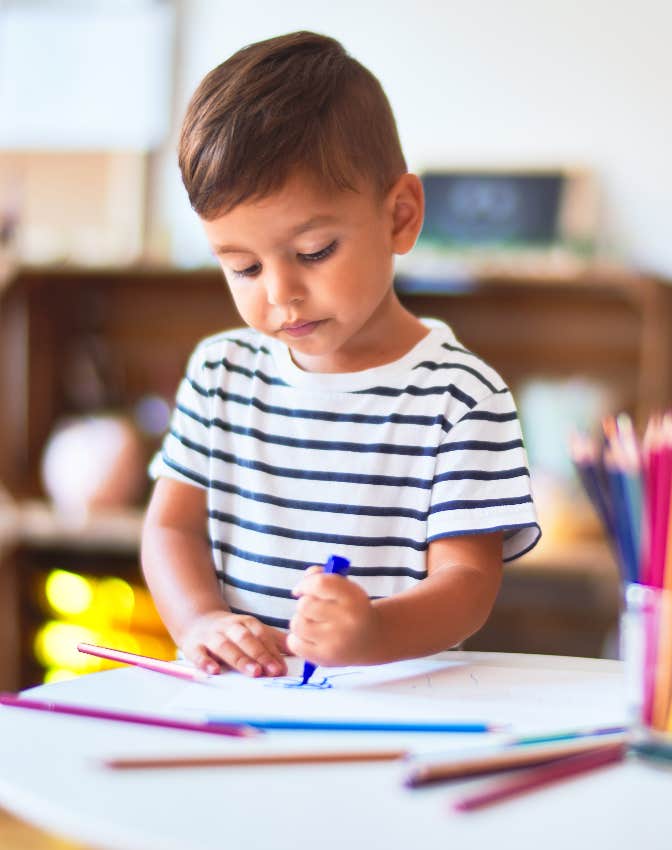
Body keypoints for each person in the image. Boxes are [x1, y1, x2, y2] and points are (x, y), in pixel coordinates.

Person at [142, 31, 540, 678]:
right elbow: (171, 530)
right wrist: (200, 621)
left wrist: (374, 630)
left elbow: (467, 584)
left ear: (400, 216)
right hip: (245, 702)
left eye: (314, 252)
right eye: (242, 267)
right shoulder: (220, 374)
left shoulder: (461, 395)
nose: (281, 295)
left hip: (395, 709)